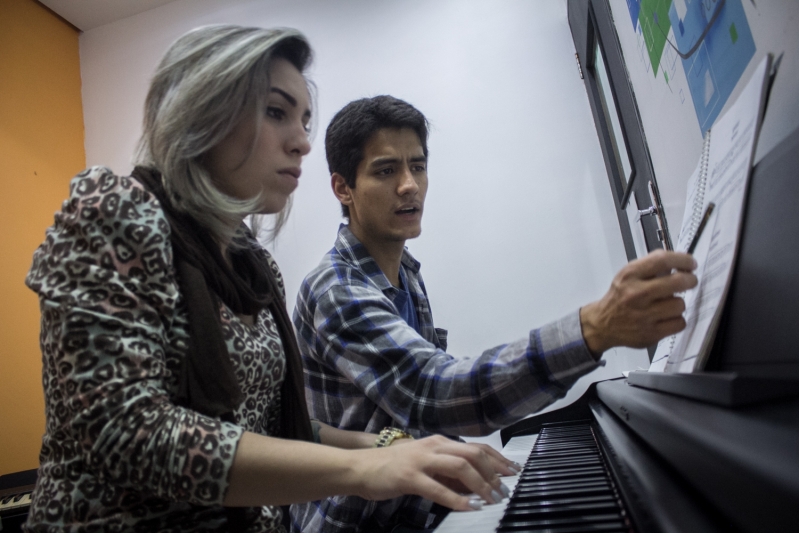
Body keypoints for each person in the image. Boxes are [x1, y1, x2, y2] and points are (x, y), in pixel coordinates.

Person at [23, 27, 516, 533]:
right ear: (201, 112)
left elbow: (274, 430)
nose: (302, 142)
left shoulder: (255, 266)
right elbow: (123, 433)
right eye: (276, 113)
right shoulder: (111, 213)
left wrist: (391, 448)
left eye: (303, 119)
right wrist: (364, 469)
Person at [291, 95, 698, 532]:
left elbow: (419, 416)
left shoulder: (404, 272)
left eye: (419, 166)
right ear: (343, 188)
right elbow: (437, 392)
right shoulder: (337, 291)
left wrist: (480, 464)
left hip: (412, 508)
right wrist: (594, 328)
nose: (409, 185)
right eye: (387, 170)